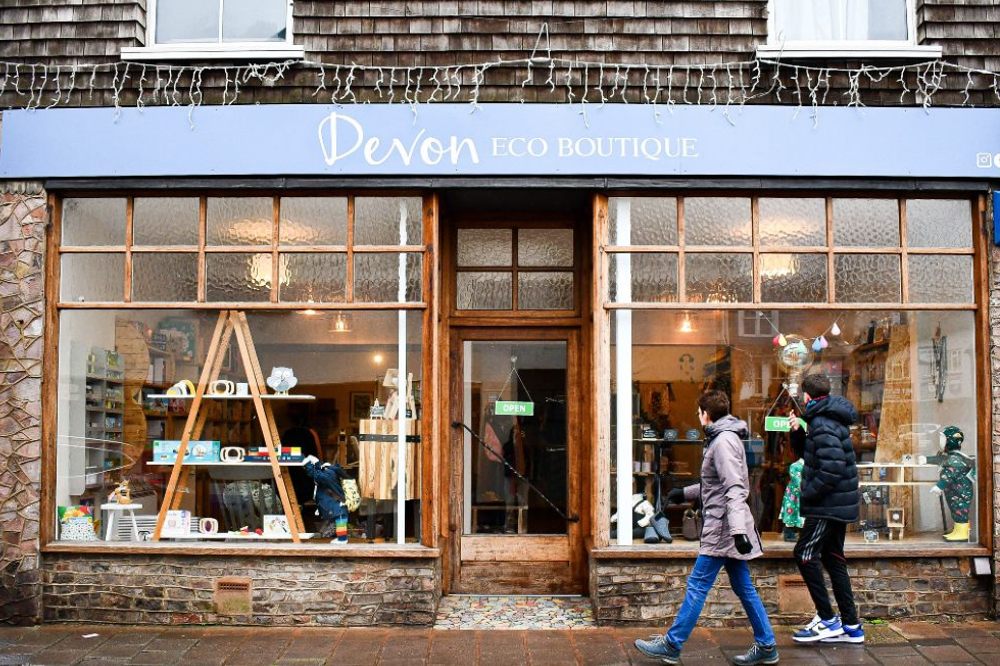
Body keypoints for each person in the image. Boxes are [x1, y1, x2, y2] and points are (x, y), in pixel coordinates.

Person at [634, 390, 778, 666]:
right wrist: (684, 493)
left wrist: (737, 532)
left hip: (724, 527)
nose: (698, 417)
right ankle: (767, 645)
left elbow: (735, 488)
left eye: (698, 413)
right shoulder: (723, 438)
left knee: (698, 585)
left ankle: (672, 644)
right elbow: (716, 485)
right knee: (744, 587)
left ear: (705, 414)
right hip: (725, 524)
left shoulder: (722, 442)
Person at [788, 373, 863, 644]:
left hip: (827, 505)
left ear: (807, 397)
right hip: (834, 503)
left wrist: (808, 492)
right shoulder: (821, 420)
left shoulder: (821, 422)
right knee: (833, 559)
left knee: (804, 554)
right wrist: (797, 433)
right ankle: (852, 626)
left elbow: (832, 467)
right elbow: (810, 455)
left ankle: (829, 620)